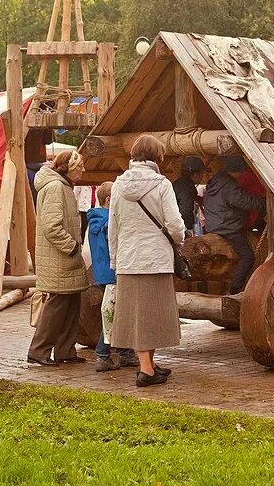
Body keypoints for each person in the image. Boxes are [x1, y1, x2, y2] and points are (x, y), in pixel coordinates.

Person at [109, 134, 186, 387]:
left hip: (129, 259)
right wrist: (180, 240)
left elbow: (114, 227)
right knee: (152, 315)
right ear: (157, 157)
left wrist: (115, 259)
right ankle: (146, 371)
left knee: (139, 316)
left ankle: (149, 365)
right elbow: (174, 223)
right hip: (156, 258)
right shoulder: (162, 184)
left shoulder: (118, 185)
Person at [28, 150, 90, 366]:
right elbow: (51, 226)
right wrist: (71, 246)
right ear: (69, 168)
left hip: (64, 257)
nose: (83, 169)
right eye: (80, 165)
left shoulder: (63, 187)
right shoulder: (56, 188)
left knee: (70, 304)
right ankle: (39, 350)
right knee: (56, 306)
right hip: (60, 258)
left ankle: (65, 350)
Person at [88, 182, 137, 371]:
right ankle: (102, 354)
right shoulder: (110, 222)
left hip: (102, 274)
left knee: (117, 313)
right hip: (113, 273)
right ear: (110, 200)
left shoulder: (94, 220)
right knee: (113, 315)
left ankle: (125, 352)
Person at [203, 154, 265, 294]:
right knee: (248, 257)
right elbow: (243, 202)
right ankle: (235, 289)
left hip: (214, 225)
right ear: (236, 170)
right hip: (227, 228)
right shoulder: (229, 185)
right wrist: (264, 203)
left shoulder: (216, 180)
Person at [173, 156, 207, 237]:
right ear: (195, 174)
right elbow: (185, 209)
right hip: (181, 226)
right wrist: (188, 229)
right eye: (202, 173)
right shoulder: (188, 188)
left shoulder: (178, 183)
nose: (202, 176)